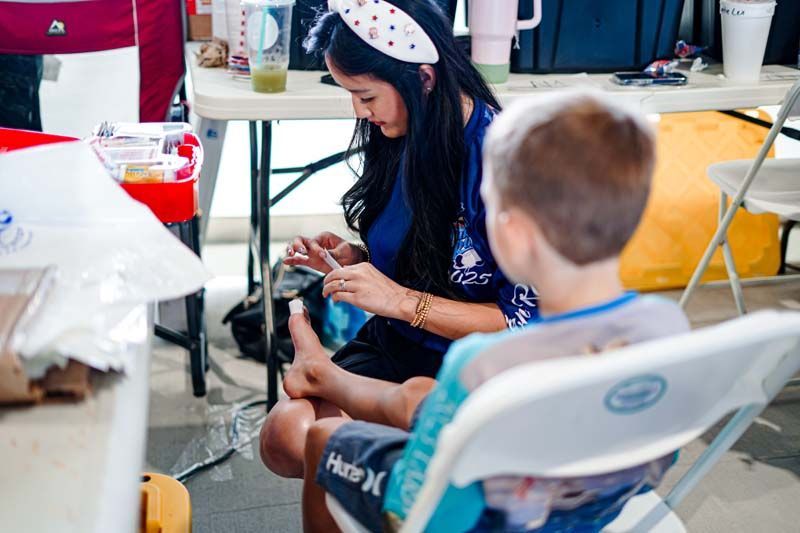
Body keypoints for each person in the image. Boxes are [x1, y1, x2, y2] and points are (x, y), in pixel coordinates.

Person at [279, 92, 691, 532]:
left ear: (511, 231)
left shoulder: (484, 362)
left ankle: (322, 374)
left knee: (324, 439)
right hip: (584, 509)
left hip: (492, 517)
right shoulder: (665, 326)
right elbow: (660, 456)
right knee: (419, 396)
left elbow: (423, 511)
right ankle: (327, 376)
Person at [261, 0, 538, 478]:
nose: (359, 111)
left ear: (424, 79)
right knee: (285, 436)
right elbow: (432, 256)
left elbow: (525, 322)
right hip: (401, 342)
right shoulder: (401, 130)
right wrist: (354, 259)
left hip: (476, 365)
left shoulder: (505, 163)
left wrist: (401, 302)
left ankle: (419, 476)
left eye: (366, 95)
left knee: (332, 445)